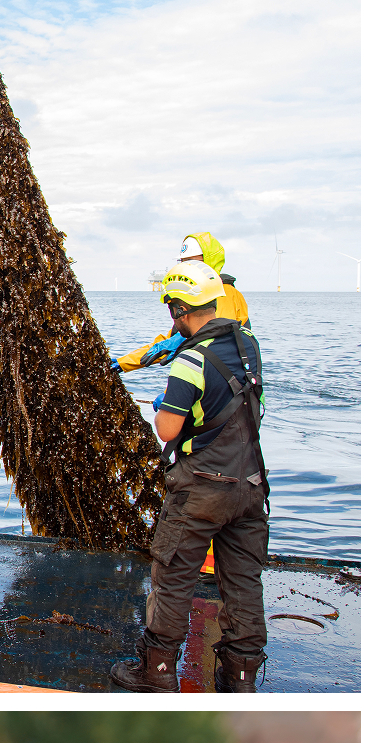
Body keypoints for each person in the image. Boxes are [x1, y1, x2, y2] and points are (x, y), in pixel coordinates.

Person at [111, 260, 268, 692]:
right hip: (252, 485)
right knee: (242, 582)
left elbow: (167, 430)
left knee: (174, 576)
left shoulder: (189, 362)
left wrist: (166, 402)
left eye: (172, 309)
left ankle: (156, 674)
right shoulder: (249, 344)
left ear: (179, 309)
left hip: (201, 489)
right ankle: (239, 677)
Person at [113, 232, 251, 374]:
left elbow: (214, 331)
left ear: (209, 260)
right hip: (203, 374)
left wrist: (180, 341)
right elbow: (165, 343)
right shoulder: (192, 298)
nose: (187, 266)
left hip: (228, 380)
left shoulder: (225, 292)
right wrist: (124, 362)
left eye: (192, 261)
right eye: (183, 262)